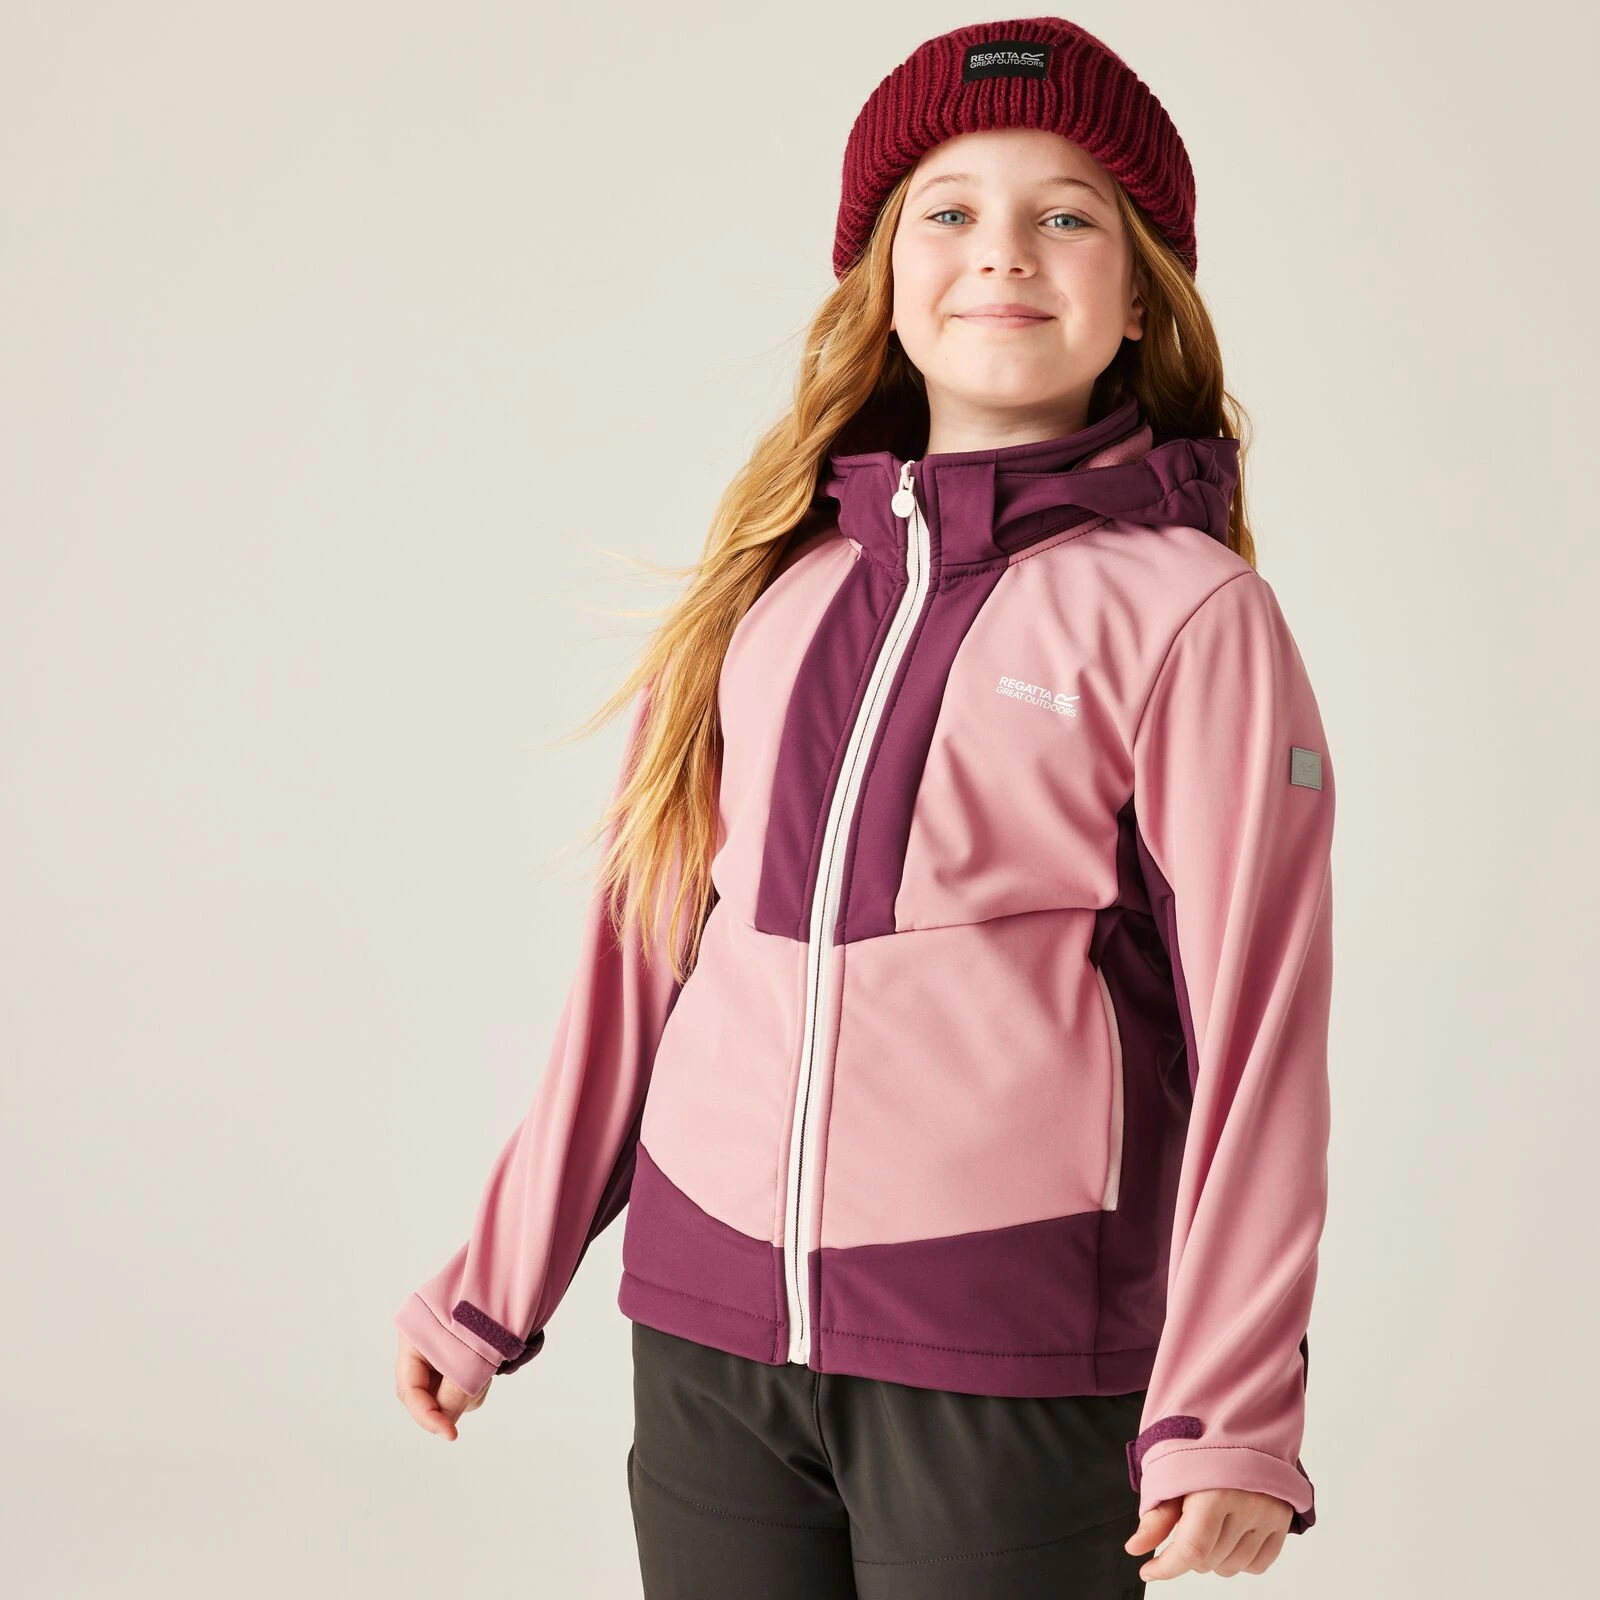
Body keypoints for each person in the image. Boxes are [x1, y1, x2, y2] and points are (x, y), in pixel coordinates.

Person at [392, 16, 1336, 1595]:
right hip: (705, 1337)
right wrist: (501, 1272)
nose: (1002, 251)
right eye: (948, 210)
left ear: (1141, 292)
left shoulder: (1188, 616)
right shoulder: (773, 589)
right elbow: (642, 961)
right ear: (886, 279)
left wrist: (1232, 1411)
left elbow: (1261, 1029)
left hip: (1009, 1346)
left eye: (1066, 215)